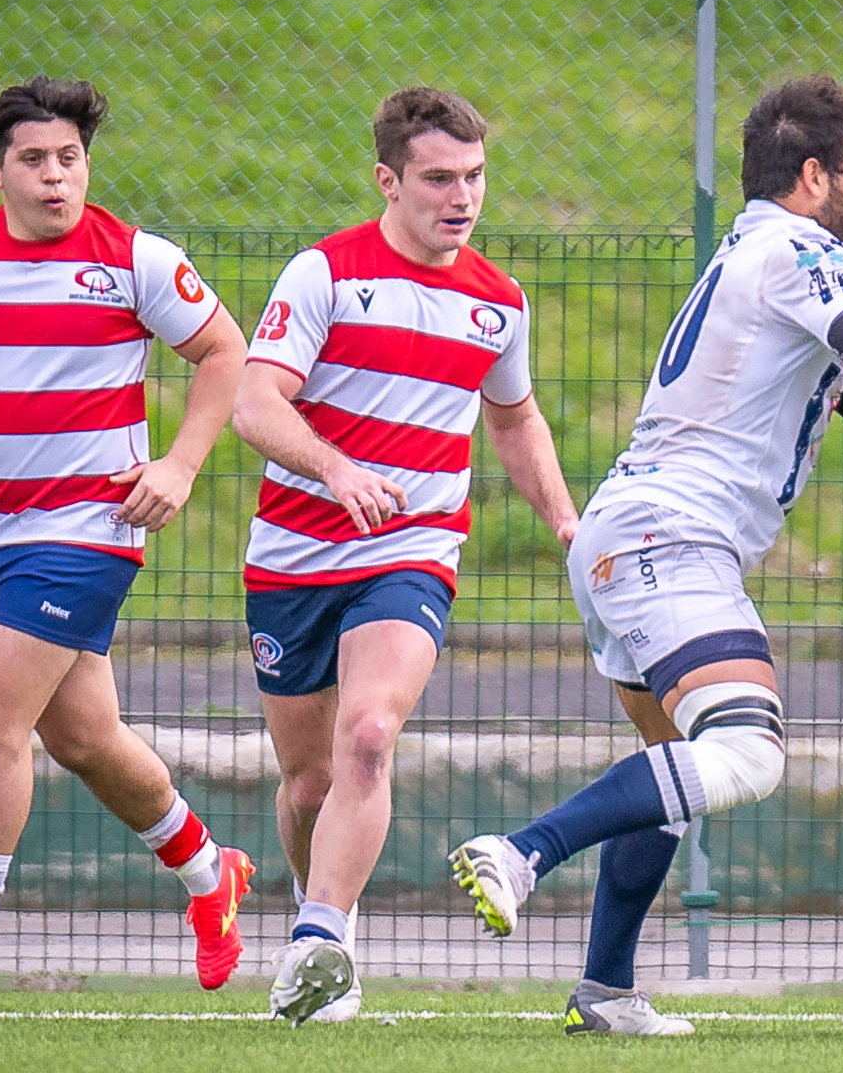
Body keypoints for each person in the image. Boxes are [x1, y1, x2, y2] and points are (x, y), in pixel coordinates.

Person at [447, 74, 843, 1036]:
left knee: (672, 766)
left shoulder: (758, 248)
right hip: (671, 536)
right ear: (814, 175)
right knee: (745, 751)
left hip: (635, 532)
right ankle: (522, 853)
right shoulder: (796, 246)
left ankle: (607, 991)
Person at [0, 76, 251, 998]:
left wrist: (180, 467)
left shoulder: (134, 260)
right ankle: (210, 872)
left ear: (86, 166)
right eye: (33, 161)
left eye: (69, 160)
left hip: (89, 530)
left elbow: (224, 352)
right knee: (84, 738)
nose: (54, 178)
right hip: (2, 532)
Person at [234, 87, 581, 1025]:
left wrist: (564, 520)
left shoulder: (496, 302)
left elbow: (514, 419)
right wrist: (335, 468)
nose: (460, 197)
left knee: (371, 737)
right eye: (437, 179)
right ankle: (321, 924)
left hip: (414, 550)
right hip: (294, 561)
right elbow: (255, 404)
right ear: (388, 181)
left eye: (473, 177)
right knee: (308, 784)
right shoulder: (326, 275)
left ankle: (322, 941)